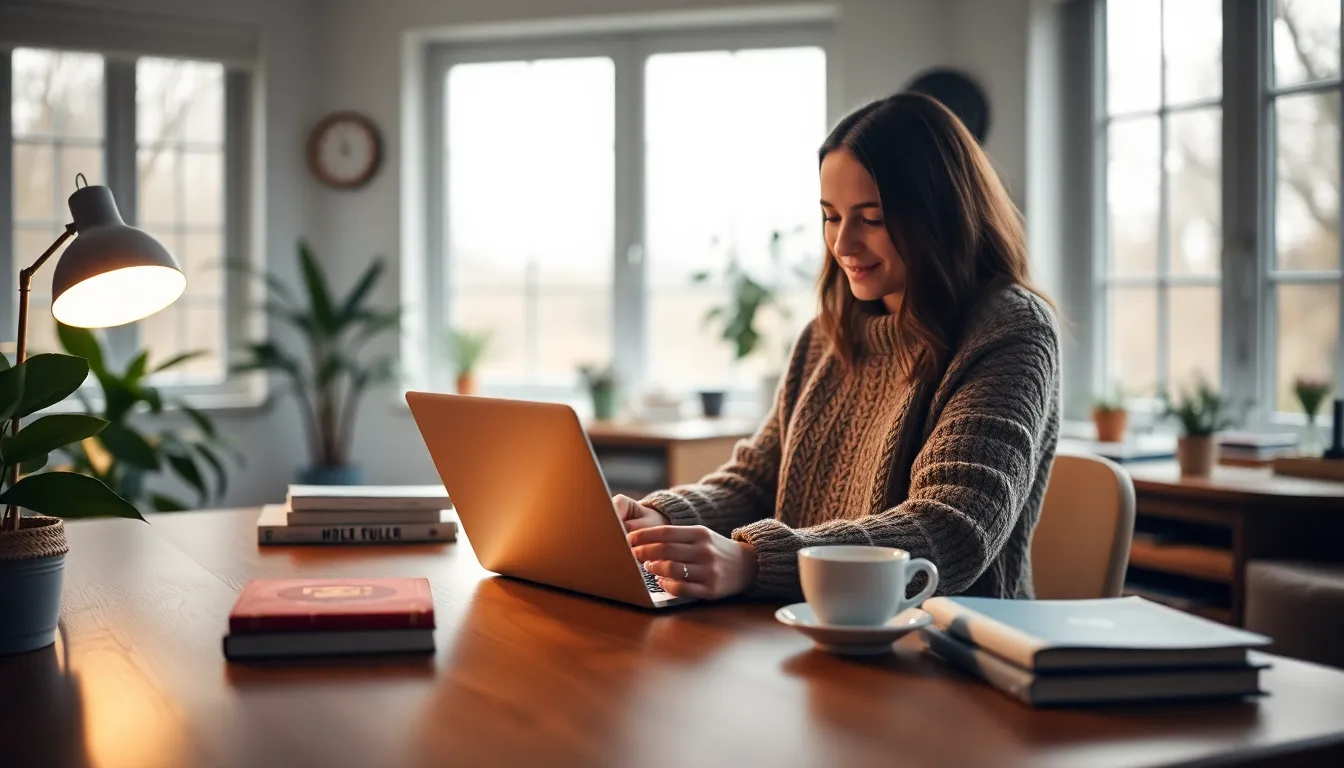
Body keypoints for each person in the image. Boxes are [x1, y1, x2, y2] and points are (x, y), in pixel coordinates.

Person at [617, 92, 1061, 602]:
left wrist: (755, 560)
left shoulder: (1011, 331)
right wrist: (656, 521)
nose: (844, 244)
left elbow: (950, 528)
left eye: (871, 219)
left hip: (946, 650)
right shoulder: (825, 336)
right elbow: (759, 479)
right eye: (831, 216)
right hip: (808, 631)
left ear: (939, 216)